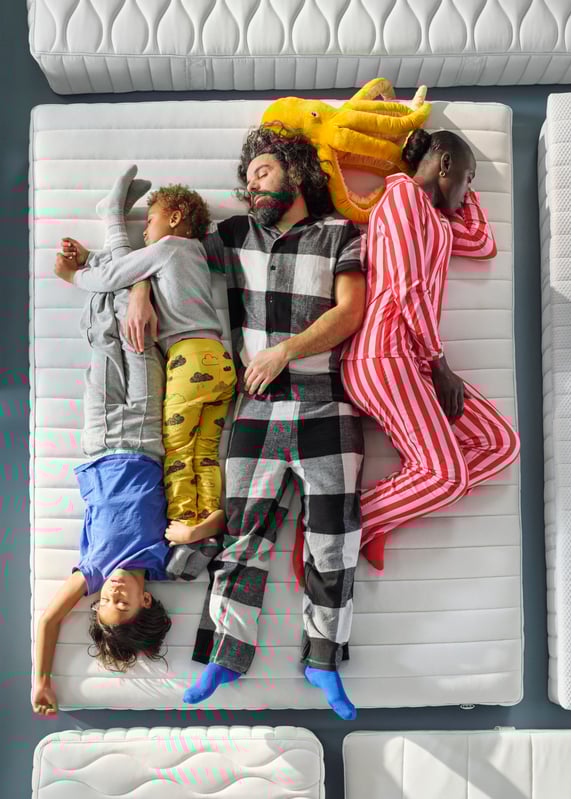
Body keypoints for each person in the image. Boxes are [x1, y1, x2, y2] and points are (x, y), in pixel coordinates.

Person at [127, 124, 367, 719]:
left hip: (326, 405)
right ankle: (227, 657)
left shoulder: (340, 233)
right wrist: (136, 291)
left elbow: (352, 311)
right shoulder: (231, 235)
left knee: (333, 543)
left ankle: (323, 661)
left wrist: (286, 350)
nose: (251, 183)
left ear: (295, 171)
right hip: (253, 412)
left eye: (262, 171)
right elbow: (167, 254)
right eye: (247, 177)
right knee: (242, 541)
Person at [32, 174, 216, 717]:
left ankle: (104, 242)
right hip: (144, 434)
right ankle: (110, 225)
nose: (111, 595)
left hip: (97, 441)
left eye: (105, 605)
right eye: (123, 603)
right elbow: (209, 530)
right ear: (146, 601)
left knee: (103, 336)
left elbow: (47, 619)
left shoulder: (90, 571)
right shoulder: (166, 563)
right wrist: (200, 527)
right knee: (135, 334)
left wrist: (41, 678)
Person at [338, 128, 520, 571]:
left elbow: (482, 242)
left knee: (499, 444)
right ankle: (337, 526)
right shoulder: (400, 200)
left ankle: (380, 516)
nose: (471, 188)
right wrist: (440, 363)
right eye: (469, 176)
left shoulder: (435, 221)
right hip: (383, 356)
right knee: (447, 475)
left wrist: (459, 191)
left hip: (411, 360)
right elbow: (405, 288)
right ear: (443, 164)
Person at [57, 166, 235, 542]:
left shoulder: (166, 247)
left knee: (178, 449)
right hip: (218, 360)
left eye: (149, 221)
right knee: (204, 449)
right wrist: (90, 256)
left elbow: (114, 278)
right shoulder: (197, 253)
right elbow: (130, 271)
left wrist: (74, 275)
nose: (144, 231)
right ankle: (208, 515)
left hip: (188, 362)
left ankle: (187, 520)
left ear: (175, 218)